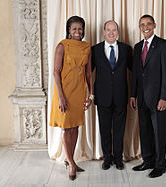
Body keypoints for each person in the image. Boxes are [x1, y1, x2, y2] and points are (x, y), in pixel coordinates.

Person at [49, 16, 93, 180]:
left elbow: (89, 73)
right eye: (74, 28)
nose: (77, 32)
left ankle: (71, 160)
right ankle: (71, 164)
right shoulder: (62, 46)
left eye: (80, 28)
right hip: (65, 92)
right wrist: (61, 97)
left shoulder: (87, 47)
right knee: (67, 128)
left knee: (75, 127)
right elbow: (55, 72)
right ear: (68, 30)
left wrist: (91, 94)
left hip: (79, 91)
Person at [130, 14, 166, 178]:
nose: (145, 27)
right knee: (145, 130)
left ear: (154, 25)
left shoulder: (163, 45)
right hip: (141, 98)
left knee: (159, 132)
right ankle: (147, 161)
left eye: (148, 24)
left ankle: (160, 165)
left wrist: (164, 97)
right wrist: (133, 95)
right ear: (140, 27)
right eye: (142, 24)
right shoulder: (138, 46)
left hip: (158, 99)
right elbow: (135, 74)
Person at [91, 20, 132, 170]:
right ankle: (107, 158)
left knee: (120, 130)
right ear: (103, 32)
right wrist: (90, 94)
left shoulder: (126, 49)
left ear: (118, 32)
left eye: (114, 30)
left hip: (121, 96)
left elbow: (134, 72)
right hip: (102, 97)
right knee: (105, 129)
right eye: (108, 30)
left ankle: (118, 159)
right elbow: (88, 73)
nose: (111, 33)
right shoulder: (95, 50)